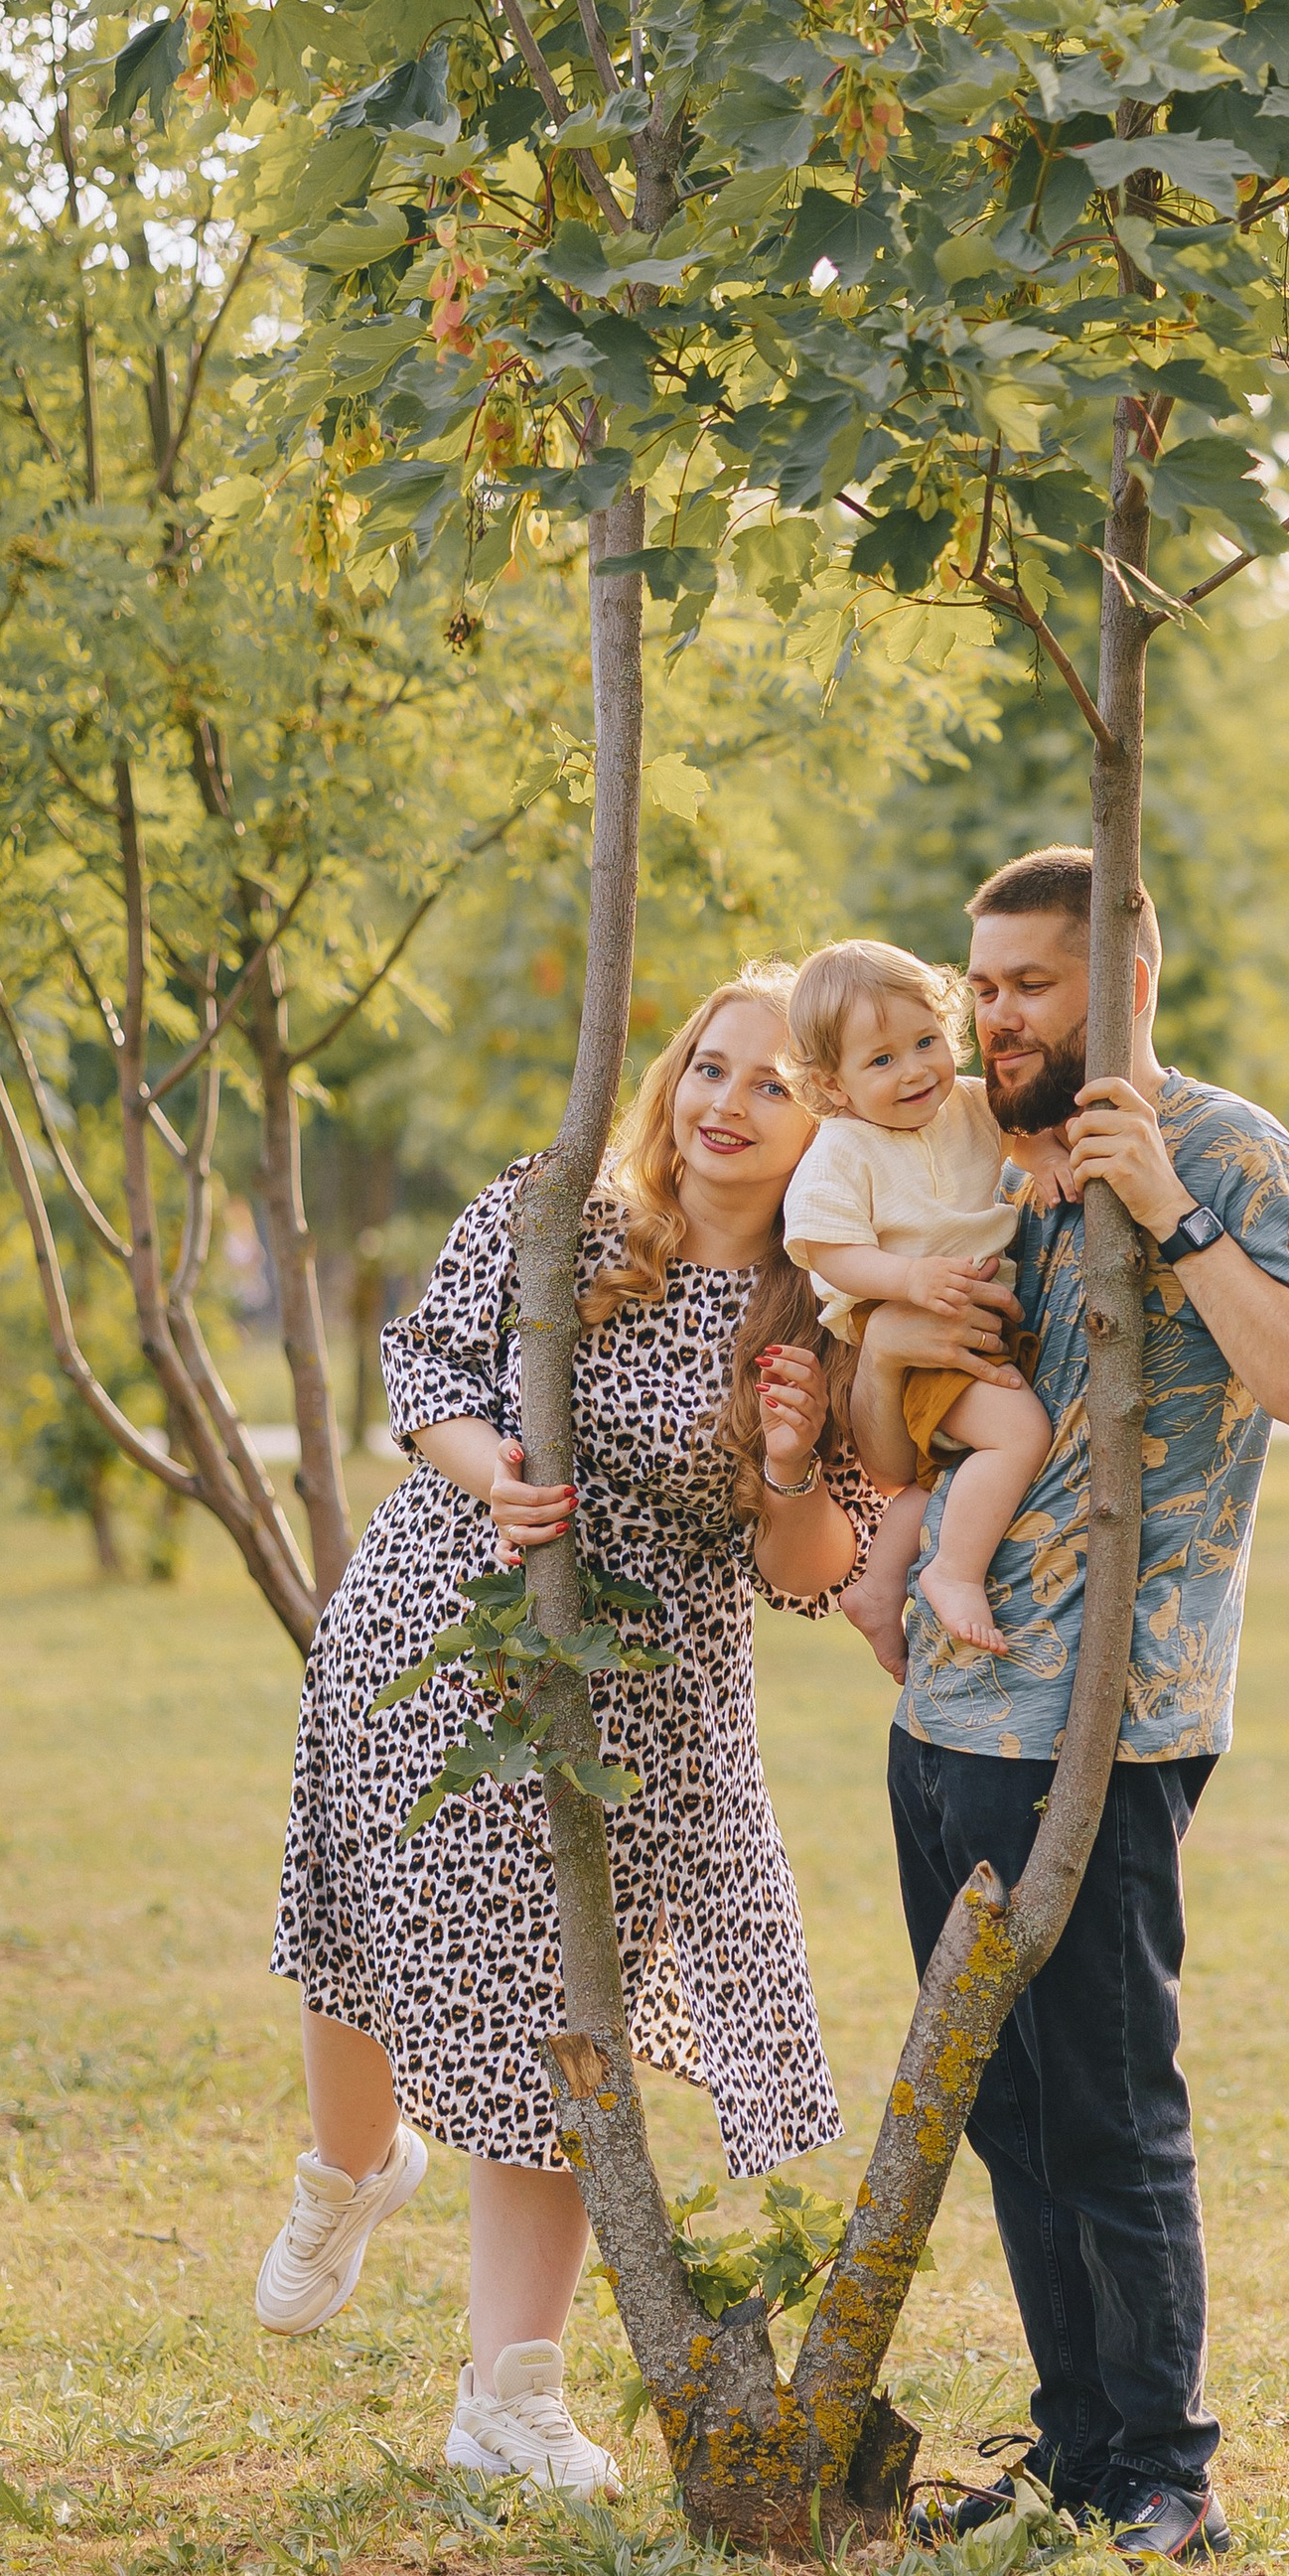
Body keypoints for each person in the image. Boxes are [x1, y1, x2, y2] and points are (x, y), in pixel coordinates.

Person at [259, 964, 877, 2498]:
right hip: (437, 1622)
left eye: (774, 1084)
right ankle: (351, 2166)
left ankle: (509, 2396)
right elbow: (428, 1372)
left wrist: (794, 1458)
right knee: (362, 1927)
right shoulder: (565, 1210)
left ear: (831, 1125)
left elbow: (816, 1568)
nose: (727, 1105)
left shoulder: (830, 1312)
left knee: (557, 2017)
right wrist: (497, 1477)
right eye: (709, 1067)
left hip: (635, 1704)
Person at [851, 847, 1289, 2564]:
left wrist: (1171, 1210)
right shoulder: (963, 1168)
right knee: (1002, 2102)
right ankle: (1076, 2451)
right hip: (942, 1724)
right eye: (981, 983)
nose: (991, 1015)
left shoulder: (1222, 1149)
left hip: (1108, 1729)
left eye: (1031, 987)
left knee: (1113, 2103)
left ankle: (1167, 2468)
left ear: (1127, 987)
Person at [781, 936, 1053, 1672]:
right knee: (1018, 1432)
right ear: (832, 1085)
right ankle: (951, 1573)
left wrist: (1048, 1161)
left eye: (926, 1041)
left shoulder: (968, 1102)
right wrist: (907, 1282)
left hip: (962, 1317)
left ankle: (876, 1588)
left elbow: (1018, 1140)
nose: (914, 1070)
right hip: (909, 1323)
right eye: (880, 1060)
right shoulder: (844, 1147)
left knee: (943, 1472)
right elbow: (827, 1247)